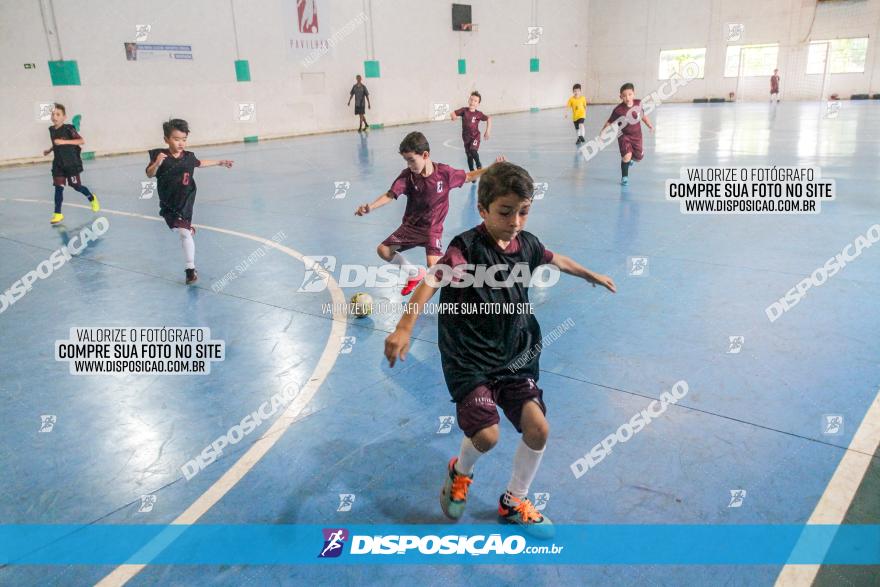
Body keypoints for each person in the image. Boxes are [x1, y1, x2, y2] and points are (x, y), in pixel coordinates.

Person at [384, 161, 616, 535]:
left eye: (523, 212)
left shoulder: (526, 244)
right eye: (506, 212)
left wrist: (591, 275)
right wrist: (403, 327)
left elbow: (555, 259)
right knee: (487, 436)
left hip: (515, 354)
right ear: (483, 210)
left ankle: (513, 502)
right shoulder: (467, 248)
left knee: (538, 429)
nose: (516, 221)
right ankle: (459, 473)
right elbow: (432, 279)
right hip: (469, 357)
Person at [354, 131, 502, 295]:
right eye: (406, 161)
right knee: (383, 250)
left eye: (411, 160)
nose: (409, 165)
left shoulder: (444, 173)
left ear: (425, 155)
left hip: (432, 229)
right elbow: (390, 195)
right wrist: (371, 207)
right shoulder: (408, 176)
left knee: (435, 267)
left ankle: (466, 288)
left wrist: (490, 168)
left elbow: (467, 176)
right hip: (410, 227)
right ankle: (414, 274)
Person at [146, 119, 233, 285]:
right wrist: (157, 163)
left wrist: (220, 162)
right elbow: (149, 174)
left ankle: (190, 270)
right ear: (166, 139)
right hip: (167, 202)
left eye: (184, 139)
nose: (181, 143)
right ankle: (187, 228)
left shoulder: (189, 157)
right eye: (176, 139)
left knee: (183, 232)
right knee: (177, 228)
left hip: (185, 201)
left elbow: (200, 163)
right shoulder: (160, 156)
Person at [42, 103, 99, 225]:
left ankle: (91, 197)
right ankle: (57, 214)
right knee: (59, 188)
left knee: (76, 186)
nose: (54, 116)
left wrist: (63, 142)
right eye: (53, 114)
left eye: (58, 114)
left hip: (71, 163)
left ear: (64, 117)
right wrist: (50, 150)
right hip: (58, 164)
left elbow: (81, 141)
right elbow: (56, 143)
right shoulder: (51, 130)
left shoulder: (69, 129)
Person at [600, 83, 654, 186]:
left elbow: (643, 116)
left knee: (639, 157)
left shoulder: (638, 104)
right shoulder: (618, 110)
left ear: (634, 94)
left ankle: (631, 160)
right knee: (626, 156)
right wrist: (602, 132)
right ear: (620, 97)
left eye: (630, 94)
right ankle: (624, 177)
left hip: (637, 136)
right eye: (624, 95)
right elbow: (609, 121)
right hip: (623, 136)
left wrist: (649, 125)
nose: (627, 97)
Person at [451, 91, 491, 178]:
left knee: (473, 151)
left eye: (475, 101)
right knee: (469, 156)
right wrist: (453, 116)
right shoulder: (464, 110)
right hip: (466, 138)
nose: (473, 102)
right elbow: (453, 113)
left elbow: (489, 118)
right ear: (469, 100)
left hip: (475, 136)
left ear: (478, 103)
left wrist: (487, 131)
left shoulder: (479, 114)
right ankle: (472, 174)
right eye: (471, 100)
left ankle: (478, 164)